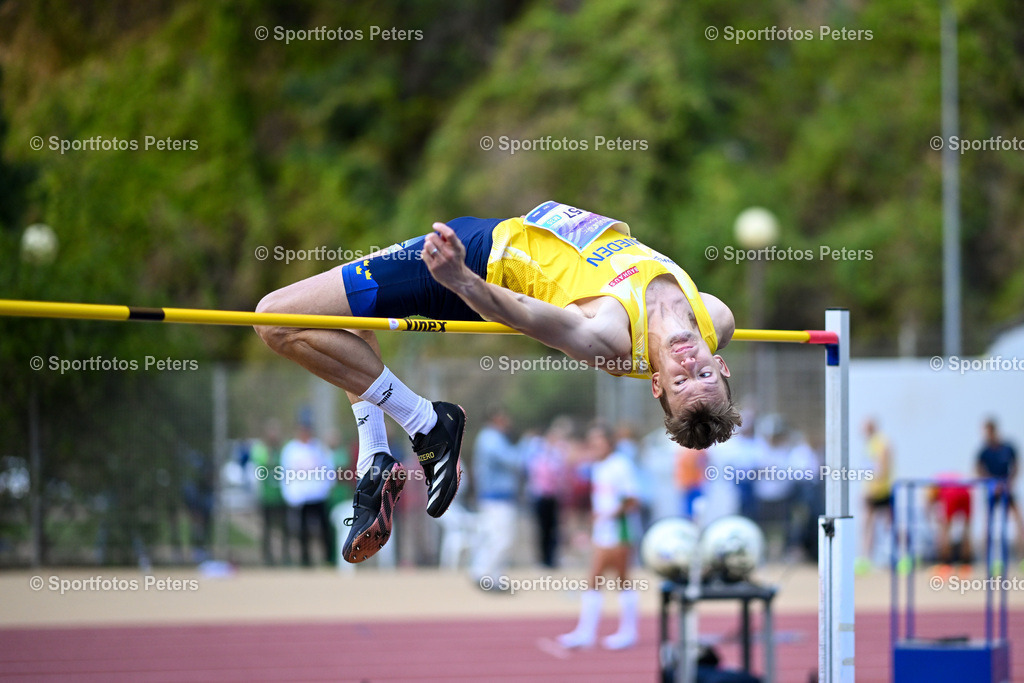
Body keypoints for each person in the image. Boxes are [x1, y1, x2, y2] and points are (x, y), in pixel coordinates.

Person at [255, 201, 739, 562]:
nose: (687, 363)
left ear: (656, 385)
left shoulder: (609, 337)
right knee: (349, 316)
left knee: (274, 319)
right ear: (721, 365)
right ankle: (374, 456)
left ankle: (426, 422)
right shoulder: (716, 318)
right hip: (490, 235)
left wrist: (459, 278)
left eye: (679, 382)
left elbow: (526, 314)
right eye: (702, 373)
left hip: (480, 263)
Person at [558, 422, 642, 650]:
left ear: (609, 442)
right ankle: (588, 632)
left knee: (618, 579)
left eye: (599, 440)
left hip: (620, 530)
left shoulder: (620, 465)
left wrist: (609, 514)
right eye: (592, 441)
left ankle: (625, 631)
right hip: (603, 531)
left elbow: (632, 500)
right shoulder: (598, 466)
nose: (595, 445)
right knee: (599, 579)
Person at [469, 408, 520, 588]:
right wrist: (528, 447)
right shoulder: (491, 438)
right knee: (500, 538)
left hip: (500, 498)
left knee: (500, 538)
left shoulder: (493, 438)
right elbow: (513, 460)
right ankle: (483, 573)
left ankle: (494, 577)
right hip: (495, 498)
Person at [280, 411, 335, 567]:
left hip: (318, 495)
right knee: (302, 530)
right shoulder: (290, 449)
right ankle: (305, 561)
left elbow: (329, 468)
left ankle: (328, 559)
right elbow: (285, 473)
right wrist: (289, 494)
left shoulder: (318, 447)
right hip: (301, 496)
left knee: (324, 528)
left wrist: (327, 487)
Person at [526, 417, 572, 568]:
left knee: (554, 528)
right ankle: (542, 558)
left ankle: (551, 558)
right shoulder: (537, 452)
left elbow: (560, 473)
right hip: (540, 494)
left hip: (553, 495)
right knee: (542, 527)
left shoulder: (557, 454)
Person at [976, 418, 1024, 559]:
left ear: (994, 431)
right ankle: (986, 559)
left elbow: (1016, 466)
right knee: (988, 524)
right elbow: (979, 469)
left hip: (1007, 488)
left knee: (1018, 521)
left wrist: (1009, 482)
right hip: (992, 489)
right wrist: (991, 483)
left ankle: (1022, 556)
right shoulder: (984, 451)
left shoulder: (1007, 448)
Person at [249, 418, 291, 565]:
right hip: (267, 496)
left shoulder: (283, 449)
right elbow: (261, 463)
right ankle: (267, 558)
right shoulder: (260, 449)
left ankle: (286, 557)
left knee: (285, 528)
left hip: (282, 496)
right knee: (266, 528)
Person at [857, 418, 893, 574]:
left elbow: (881, 469)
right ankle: (867, 558)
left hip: (880, 490)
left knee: (884, 524)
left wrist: (871, 490)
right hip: (874, 489)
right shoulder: (871, 444)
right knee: (868, 525)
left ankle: (882, 557)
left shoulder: (881, 443)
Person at [930, 472, 973, 577]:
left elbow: (929, 501)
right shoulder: (949, 478)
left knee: (945, 531)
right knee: (966, 531)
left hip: (951, 493)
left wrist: (931, 515)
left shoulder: (935, 482)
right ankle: (966, 565)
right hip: (966, 492)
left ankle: (946, 564)